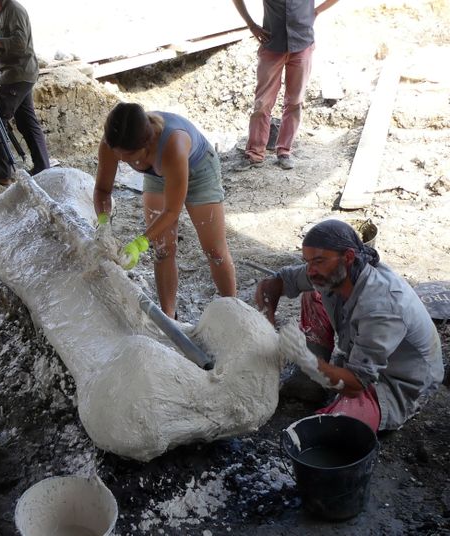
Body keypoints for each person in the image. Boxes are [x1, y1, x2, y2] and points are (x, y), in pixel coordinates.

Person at [255, 219, 444, 432]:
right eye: (307, 262)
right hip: (362, 360)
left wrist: (307, 360)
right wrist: (266, 321)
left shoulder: (381, 306)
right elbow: (273, 283)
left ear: (348, 257)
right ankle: (313, 382)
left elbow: (356, 385)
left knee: (333, 428)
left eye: (318, 261)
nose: (310, 270)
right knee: (313, 291)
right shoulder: (335, 272)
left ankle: (326, 380)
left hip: (400, 382)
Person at [94, 102, 236, 319]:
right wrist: (103, 223)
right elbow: (103, 189)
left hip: (199, 171)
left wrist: (139, 243)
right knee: (162, 249)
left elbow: (172, 211)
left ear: (147, 143)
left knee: (214, 251)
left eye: (129, 156)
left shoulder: (173, 144)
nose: (122, 160)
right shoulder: (112, 143)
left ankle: (234, 311)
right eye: (118, 154)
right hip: (158, 175)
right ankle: (169, 317)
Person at [231, 0, 340, 171]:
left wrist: (316, 11)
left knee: (295, 101)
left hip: (302, 44)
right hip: (272, 45)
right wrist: (251, 25)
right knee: (262, 102)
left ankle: (284, 151)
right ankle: (254, 154)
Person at [0, 0, 50, 185]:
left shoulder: (14, 10)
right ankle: (43, 168)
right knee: (26, 122)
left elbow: (19, 43)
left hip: (18, 74)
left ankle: (1, 172)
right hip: (16, 74)